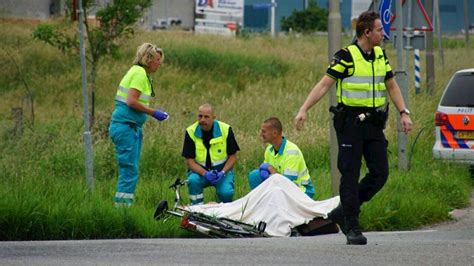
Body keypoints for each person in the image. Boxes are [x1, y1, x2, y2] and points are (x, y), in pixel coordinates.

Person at [294, 11, 413, 245]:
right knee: (349, 174)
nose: (383, 33)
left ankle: (343, 210)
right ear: (367, 33)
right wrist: (303, 109)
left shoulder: (380, 54)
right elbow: (324, 84)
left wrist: (403, 112)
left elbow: (391, 85)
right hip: (350, 123)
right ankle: (352, 226)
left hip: (374, 123)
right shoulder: (346, 56)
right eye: (379, 30)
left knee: (380, 173)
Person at [109, 43, 169, 207]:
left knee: (131, 170)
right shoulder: (139, 74)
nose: (159, 63)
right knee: (129, 171)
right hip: (126, 126)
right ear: (148, 59)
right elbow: (131, 101)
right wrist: (153, 112)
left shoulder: (139, 72)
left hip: (131, 127)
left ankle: (124, 206)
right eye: (157, 59)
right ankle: (122, 209)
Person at [182, 104, 240, 205]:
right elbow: (190, 162)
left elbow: (232, 157)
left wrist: (222, 172)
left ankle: (224, 214)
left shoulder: (225, 129)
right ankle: (197, 210)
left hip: (222, 172)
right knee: (193, 180)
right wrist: (205, 173)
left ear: (214, 118)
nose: (202, 120)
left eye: (206, 117)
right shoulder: (190, 131)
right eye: (200, 116)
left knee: (226, 192)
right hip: (199, 172)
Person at [248, 117, 315, 199]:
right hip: (281, 186)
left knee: (276, 191)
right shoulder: (269, 149)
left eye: (264, 132)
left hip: (301, 190)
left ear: (275, 133)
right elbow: (265, 172)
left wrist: (270, 169)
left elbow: (287, 182)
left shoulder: (292, 151)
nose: (261, 134)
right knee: (254, 176)